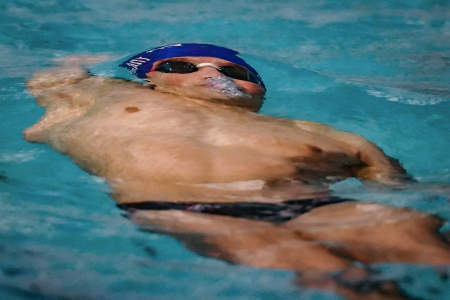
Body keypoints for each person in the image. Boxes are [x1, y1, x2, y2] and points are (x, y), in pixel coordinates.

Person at [24, 43, 450, 299]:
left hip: (314, 203)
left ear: (259, 92)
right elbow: (51, 80)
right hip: (185, 207)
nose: (211, 73)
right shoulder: (109, 96)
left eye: (235, 72)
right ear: (149, 79)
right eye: (180, 66)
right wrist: (80, 59)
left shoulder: (320, 132)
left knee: (422, 246)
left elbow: (394, 188)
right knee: (335, 277)